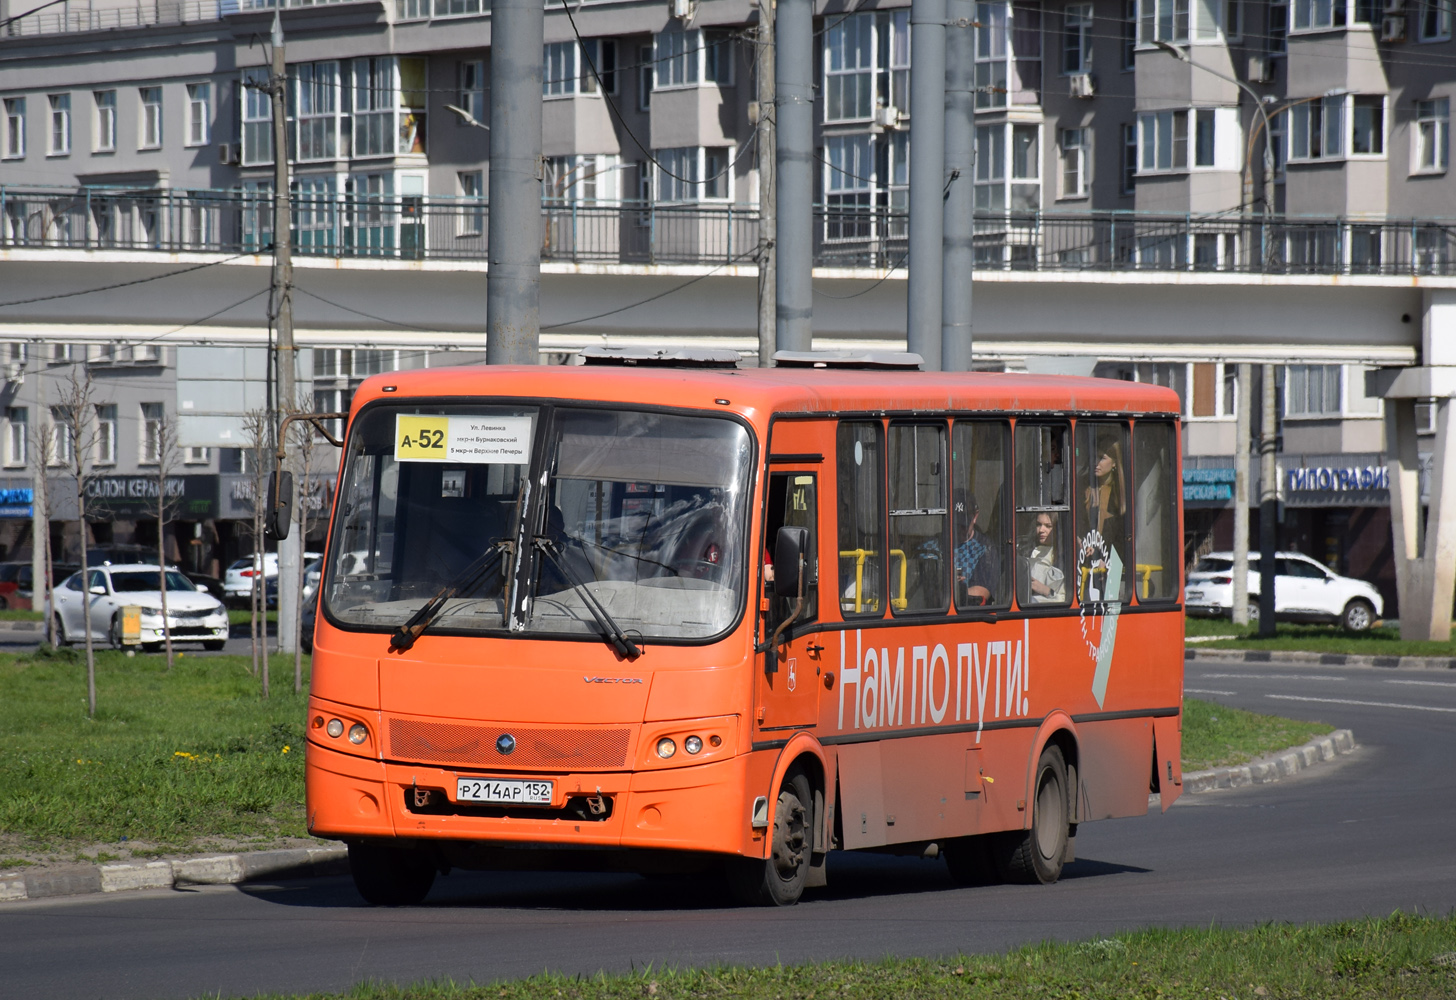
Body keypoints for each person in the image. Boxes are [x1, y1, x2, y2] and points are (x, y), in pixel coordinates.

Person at [953, 494, 1000, 606]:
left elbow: (980, 595)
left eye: (963, 524)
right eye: (955, 524)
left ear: (975, 516)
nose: (959, 529)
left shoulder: (985, 549)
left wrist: (955, 588)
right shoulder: (936, 545)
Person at [1022, 511, 1065, 604]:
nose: (1041, 530)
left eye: (1048, 526)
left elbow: (1065, 599)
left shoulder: (1064, 558)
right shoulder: (1030, 551)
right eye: (1038, 524)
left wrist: (1045, 590)